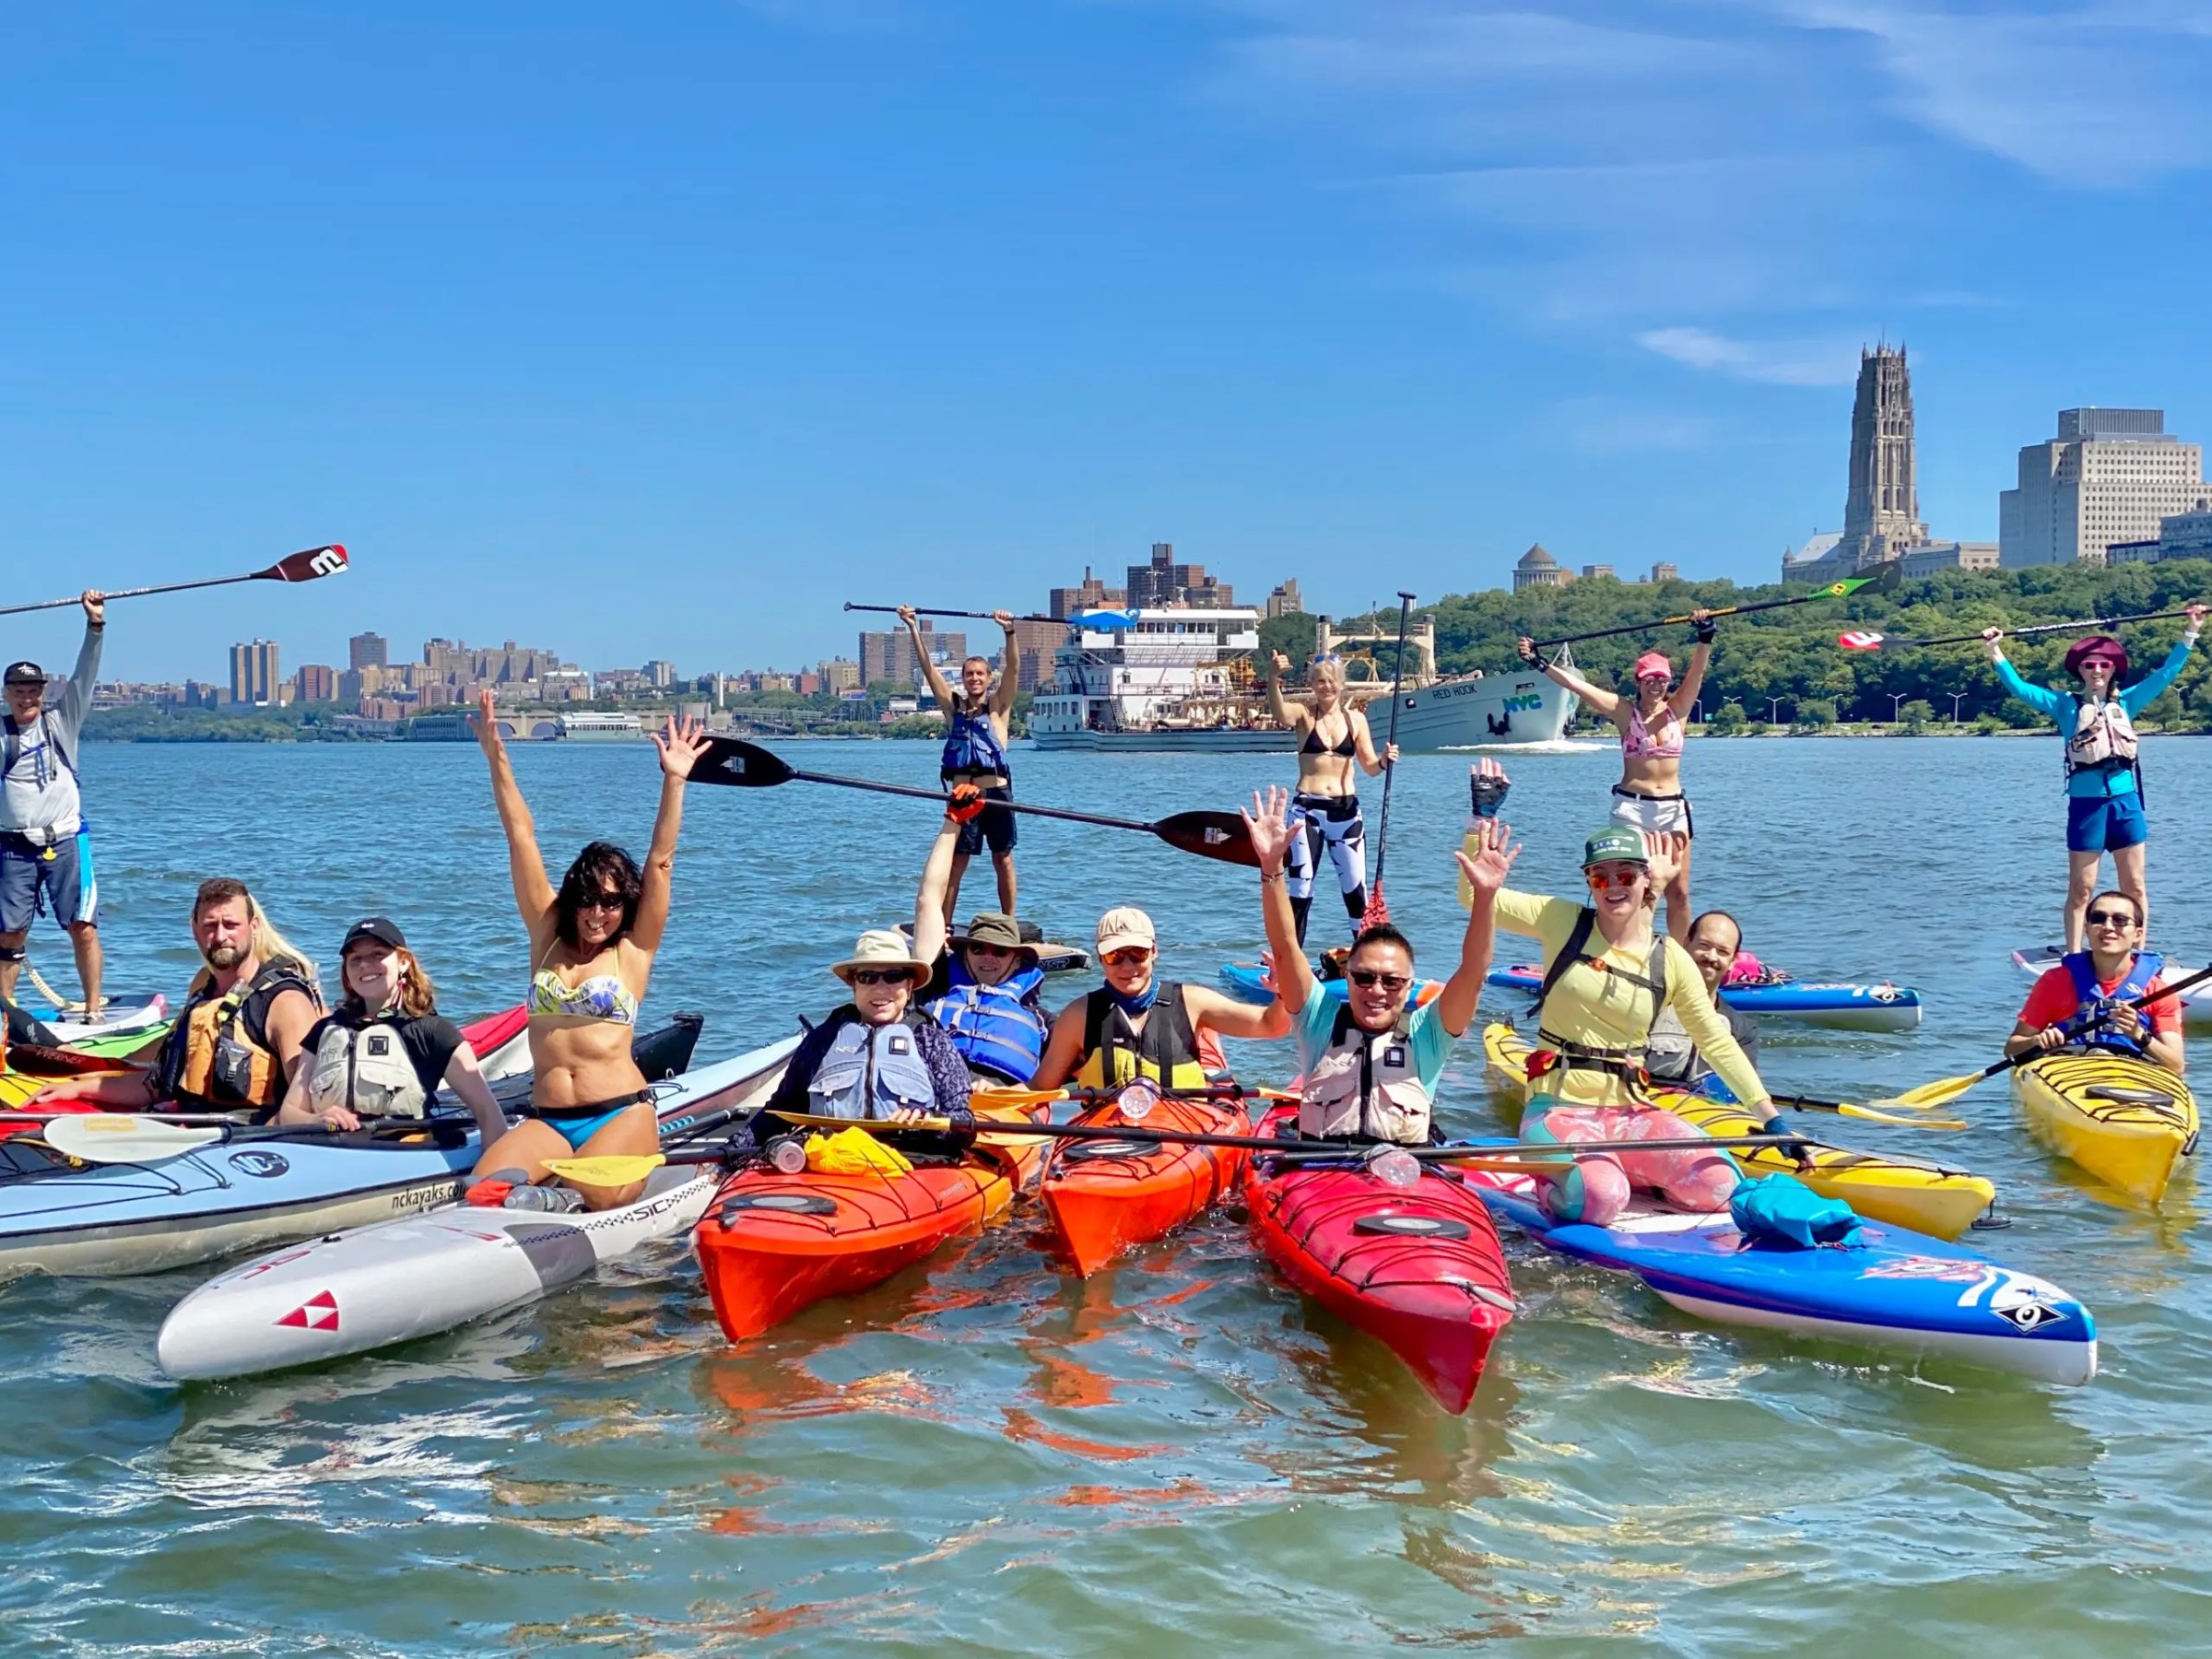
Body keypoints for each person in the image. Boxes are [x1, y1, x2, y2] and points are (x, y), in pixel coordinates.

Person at [467, 688, 705, 1211]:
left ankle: (569, 1197)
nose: (600, 913)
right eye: (590, 900)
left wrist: (675, 780)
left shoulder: (634, 950)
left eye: (612, 903)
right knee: (482, 1192)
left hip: (620, 1110)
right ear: (574, 899)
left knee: (594, 1190)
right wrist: (496, 756)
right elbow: (521, 838)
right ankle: (546, 1196)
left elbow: (661, 860)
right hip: (547, 1118)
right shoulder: (547, 934)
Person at [1491, 826, 1796, 1228]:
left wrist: (1771, 1118)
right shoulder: (1560, 919)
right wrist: (1479, 836)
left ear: (1644, 880)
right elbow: (1473, 897)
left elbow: (1715, 1039)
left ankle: (1633, 1174)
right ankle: (1554, 1184)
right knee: (1601, 1197)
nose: (1613, 887)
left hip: (1629, 1113)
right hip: (1558, 1110)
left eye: (1626, 876)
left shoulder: (1669, 957)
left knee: (1720, 1185)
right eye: (1601, 877)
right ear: (1589, 882)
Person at [1241, 784, 1502, 1145]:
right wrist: (1271, 867)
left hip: (1401, 1174)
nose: (1376, 991)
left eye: (1391, 981)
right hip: (1320, 1172)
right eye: (1363, 978)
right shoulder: (1319, 1019)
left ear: (1409, 985)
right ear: (1347, 978)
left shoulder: (1428, 1033)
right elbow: (1286, 947)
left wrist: (1486, 896)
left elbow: (1473, 972)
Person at [1983, 606, 2205, 950]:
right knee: (2081, 889)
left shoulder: (2127, 702)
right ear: (2081, 671)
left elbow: (2167, 674)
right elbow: (2019, 688)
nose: (2097, 670)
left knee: (2135, 887)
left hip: (2126, 803)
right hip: (2087, 806)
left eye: (2104, 664)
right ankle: (2074, 956)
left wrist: (2191, 631)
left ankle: (2137, 955)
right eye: (2089, 665)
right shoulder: (2063, 705)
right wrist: (1995, 651)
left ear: (2113, 669)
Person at [29, 877, 322, 1118]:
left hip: (247, 1140)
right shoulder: (202, 989)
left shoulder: (285, 1003)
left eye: (231, 925)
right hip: (187, 1125)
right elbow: (158, 1085)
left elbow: (305, 1103)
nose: (220, 937)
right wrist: (81, 1087)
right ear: (194, 930)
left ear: (253, 928)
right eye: (209, 926)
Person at [1517, 613, 1713, 942]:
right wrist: (1538, 663)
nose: (1656, 685)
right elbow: (1576, 685)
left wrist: (1705, 636)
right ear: (1638, 681)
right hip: (1633, 809)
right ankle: (1632, 951)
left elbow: (1697, 672)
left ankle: (1683, 962)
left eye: (1662, 679)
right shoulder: (1625, 712)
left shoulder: (1677, 710)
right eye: (1649, 679)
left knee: (1678, 892)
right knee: (1640, 886)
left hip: (1673, 809)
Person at [274, 917, 509, 1143]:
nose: (365, 965)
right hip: (331, 1150)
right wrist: (317, 1119)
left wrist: (489, 1179)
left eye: (378, 955)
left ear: (403, 961)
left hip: (404, 1154)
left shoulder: (433, 1032)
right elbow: (289, 1113)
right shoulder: (324, 1031)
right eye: (355, 959)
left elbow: (488, 1114)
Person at [749, 928, 978, 1159]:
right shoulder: (822, 1040)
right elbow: (779, 1110)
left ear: (909, 986)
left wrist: (930, 1117)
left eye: (893, 976)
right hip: (830, 1159)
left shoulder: (932, 1042)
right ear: (854, 985)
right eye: (867, 977)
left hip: (911, 1162)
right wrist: (729, 1153)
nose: (880, 988)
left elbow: (963, 1127)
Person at [1030, 905, 1289, 1091]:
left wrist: (1282, 990)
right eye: (1114, 956)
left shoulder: (1192, 1002)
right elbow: (1041, 1088)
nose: (1127, 966)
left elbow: (1271, 1025)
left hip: (1182, 1133)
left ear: (1154, 951)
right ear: (1100, 959)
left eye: (1137, 953)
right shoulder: (1078, 1015)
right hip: (1106, 1133)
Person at [1, 590, 107, 1016]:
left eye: (34, 690)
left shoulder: (62, 722)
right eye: (19, 690)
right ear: (6, 693)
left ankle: (93, 1008)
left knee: (82, 927)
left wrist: (95, 625)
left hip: (65, 843)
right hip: (13, 847)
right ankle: (5, 1016)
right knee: (9, 935)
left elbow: (86, 674)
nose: (28, 697)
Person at [912, 788, 1050, 1085]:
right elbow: (928, 901)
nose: (988, 957)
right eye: (978, 948)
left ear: (1016, 961)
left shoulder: (1040, 1017)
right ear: (965, 952)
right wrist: (953, 822)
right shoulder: (936, 983)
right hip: (931, 1095)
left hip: (1001, 1105)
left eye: (1000, 951)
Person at [1263, 650, 1399, 949]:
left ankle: (1366, 956)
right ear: (1311, 684)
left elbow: (1370, 768)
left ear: (1341, 683)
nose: (1326, 686)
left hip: (1346, 813)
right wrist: (1273, 676)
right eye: (1319, 681)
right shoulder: (1303, 714)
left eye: (1331, 681)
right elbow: (1279, 713)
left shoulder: (1357, 720)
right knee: (1301, 888)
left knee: (1355, 890)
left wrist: (1385, 761)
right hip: (1306, 812)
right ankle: (1290, 959)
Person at [901, 605, 1019, 920]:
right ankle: (946, 924)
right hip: (964, 796)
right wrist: (912, 626)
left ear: (988, 678)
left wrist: (1009, 631)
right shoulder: (953, 708)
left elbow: (1014, 670)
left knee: (1003, 858)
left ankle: (1009, 922)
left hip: (997, 795)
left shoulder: (998, 707)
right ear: (964, 679)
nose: (974, 679)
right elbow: (930, 671)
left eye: (980, 674)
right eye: (969, 674)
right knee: (957, 860)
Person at [2005, 889, 2184, 1075]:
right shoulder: (2054, 981)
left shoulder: (2159, 992)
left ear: (2138, 934)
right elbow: (2012, 1048)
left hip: (2133, 1072)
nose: (2108, 926)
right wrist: (2036, 1042)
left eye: (2120, 920)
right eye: (2098, 918)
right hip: (2068, 1070)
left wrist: (2140, 1035)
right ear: (2087, 929)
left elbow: (2176, 1066)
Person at [1645, 910, 1761, 1088]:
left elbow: (1746, 1092)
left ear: (1732, 961)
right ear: (1685, 944)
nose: (1711, 956)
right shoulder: (1648, 1004)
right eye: (1704, 945)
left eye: (1723, 951)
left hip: (1703, 1111)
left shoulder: (1742, 1030)